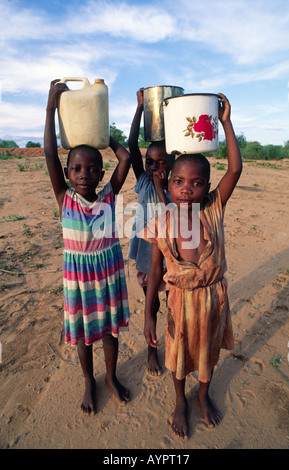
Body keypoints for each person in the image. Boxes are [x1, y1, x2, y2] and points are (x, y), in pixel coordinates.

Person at [140, 93, 242, 439]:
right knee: (179, 353)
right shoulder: (163, 221)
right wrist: (148, 312)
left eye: (197, 183)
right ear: (168, 185)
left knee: (209, 351)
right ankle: (180, 400)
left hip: (213, 301)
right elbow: (155, 272)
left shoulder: (213, 209)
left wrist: (225, 122)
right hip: (180, 303)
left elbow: (235, 168)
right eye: (179, 182)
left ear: (207, 189)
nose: (187, 190)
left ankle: (203, 393)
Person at [44, 79, 131, 414]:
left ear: (101, 173)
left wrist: (100, 130)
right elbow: (51, 152)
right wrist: (52, 107)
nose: (85, 173)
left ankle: (110, 376)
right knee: (83, 335)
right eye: (77, 168)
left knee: (109, 332)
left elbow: (124, 157)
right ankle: (88, 381)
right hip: (79, 279)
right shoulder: (64, 198)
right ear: (67, 173)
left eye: (92, 168)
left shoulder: (109, 196)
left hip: (107, 275)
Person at [128, 88, 172, 376]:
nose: (154, 167)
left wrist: (161, 184)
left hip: (173, 257)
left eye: (161, 163)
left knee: (176, 308)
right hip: (147, 256)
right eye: (149, 162)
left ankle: (176, 345)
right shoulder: (143, 181)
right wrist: (140, 108)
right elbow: (132, 144)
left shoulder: (177, 187)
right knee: (152, 303)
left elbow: (170, 214)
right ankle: (152, 350)